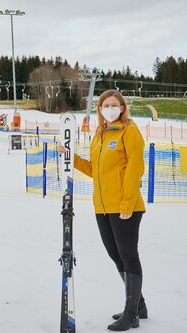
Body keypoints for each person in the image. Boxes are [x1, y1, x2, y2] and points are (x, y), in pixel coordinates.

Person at [58, 89, 147, 331]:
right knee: (115, 255)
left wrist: (127, 203)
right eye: (105, 105)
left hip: (124, 206)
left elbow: (135, 168)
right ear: (99, 109)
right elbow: (95, 169)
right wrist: (72, 158)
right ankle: (139, 304)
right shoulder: (99, 135)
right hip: (103, 206)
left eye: (114, 104)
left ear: (122, 107)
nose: (109, 109)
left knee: (128, 256)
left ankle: (131, 314)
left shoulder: (130, 131)